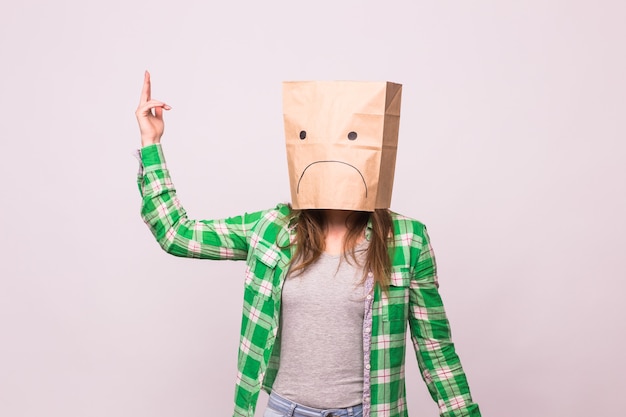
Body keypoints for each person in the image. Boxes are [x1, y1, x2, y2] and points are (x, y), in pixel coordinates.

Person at [135, 71, 481, 417]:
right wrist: (152, 144)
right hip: (285, 410)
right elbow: (176, 233)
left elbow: (435, 350)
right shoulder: (271, 228)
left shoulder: (406, 240)